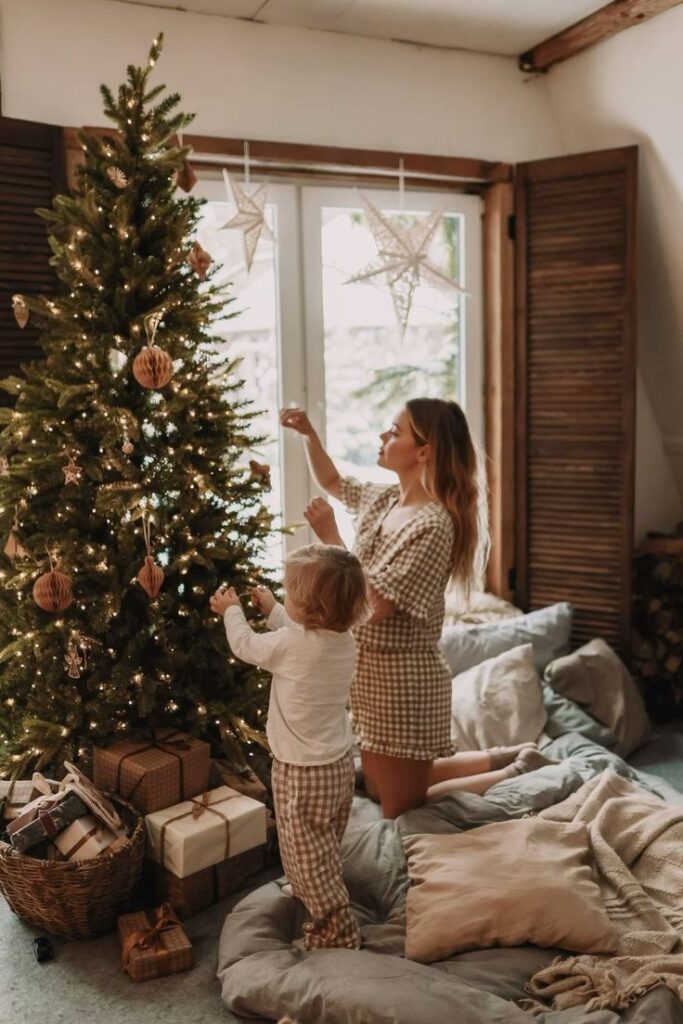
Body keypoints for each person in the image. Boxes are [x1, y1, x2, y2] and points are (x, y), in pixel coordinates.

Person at [281, 398, 556, 819]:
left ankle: (514, 770)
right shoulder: (385, 500)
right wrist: (309, 435)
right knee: (380, 789)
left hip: (402, 682)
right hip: (367, 676)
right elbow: (333, 480)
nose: (383, 436)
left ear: (424, 451)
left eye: (395, 432)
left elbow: (371, 606)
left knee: (400, 807)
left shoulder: (433, 524)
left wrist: (332, 537)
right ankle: (503, 756)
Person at [209, 543, 369, 949]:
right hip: (338, 765)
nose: (285, 596)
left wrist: (232, 610)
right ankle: (309, 885)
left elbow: (246, 646)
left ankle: (336, 932)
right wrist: (275, 609)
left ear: (312, 610)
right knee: (323, 842)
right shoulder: (344, 640)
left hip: (301, 772)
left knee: (302, 851)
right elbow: (302, 633)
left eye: (290, 594)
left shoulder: (291, 645)